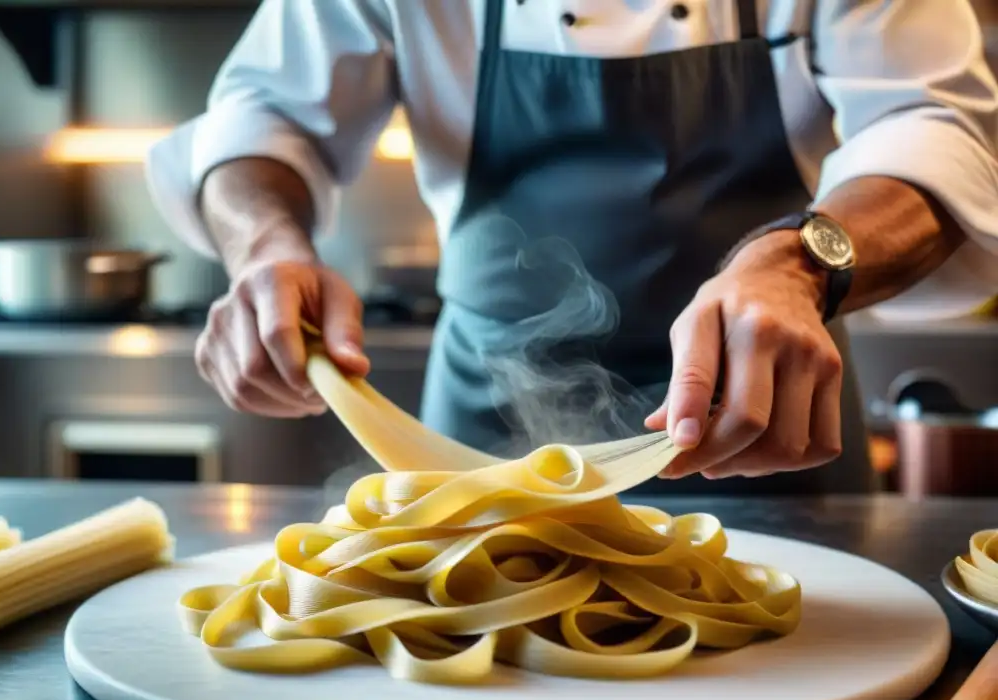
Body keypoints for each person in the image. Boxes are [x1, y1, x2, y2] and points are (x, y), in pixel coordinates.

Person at [146, 0, 998, 495]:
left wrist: (798, 266)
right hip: (475, 447)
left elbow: (937, 127)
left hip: (767, 425)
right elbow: (264, 114)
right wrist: (265, 246)